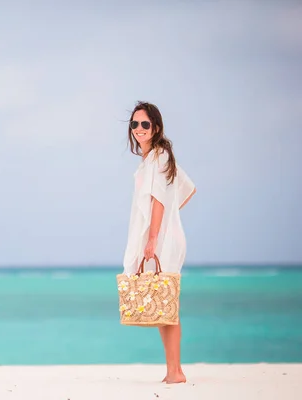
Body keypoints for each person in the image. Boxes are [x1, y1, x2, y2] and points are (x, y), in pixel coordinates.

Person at [122, 101, 196, 384]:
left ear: (156, 127)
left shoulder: (161, 156)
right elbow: (185, 191)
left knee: (167, 305)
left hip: (161, 241)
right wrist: (167, 222)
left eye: (145, 124)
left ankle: (175, 372)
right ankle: (173, 370)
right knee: (162, 305)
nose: (139, 129)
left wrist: (155, 236)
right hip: (159, 236)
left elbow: (160, 199)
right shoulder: (152, 159)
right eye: (135, 124)